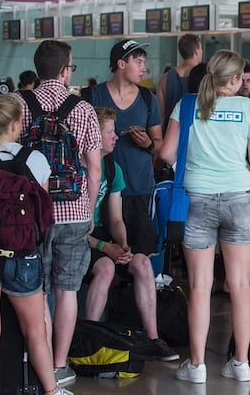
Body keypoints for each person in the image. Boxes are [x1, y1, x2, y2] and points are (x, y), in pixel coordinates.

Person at [160, 51, 250, 384]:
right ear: (237, 78)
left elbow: (167, 154)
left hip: (195, 200)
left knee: (199, 286)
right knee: (240, 285)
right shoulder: (249, 108)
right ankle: (240, 363)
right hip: (240, 200)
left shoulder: (186, 105)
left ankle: (196, 366)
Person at [20, 40, 102, 387]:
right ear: (66, 69)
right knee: (67, 290)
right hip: (73, 211)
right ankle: (58, 364)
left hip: (31, 212)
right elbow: (95, 167)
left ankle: (35, 358)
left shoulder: (20, 105)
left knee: (36, 289)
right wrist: (90, 207)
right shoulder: (83, 109)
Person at [0, 94, 67, 395]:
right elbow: (42, 211)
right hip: (23, 256)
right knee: (36, 332)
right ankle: (52, 391)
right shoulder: (34, 159)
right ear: (16, 124)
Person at [83, 107, 178, 361]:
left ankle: (153, 337)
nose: (116, 137)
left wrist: (123, 246)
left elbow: (114, 217)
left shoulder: (113, 169)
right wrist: (106, 248)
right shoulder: (77, 170)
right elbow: (73, 228)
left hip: (104, 237)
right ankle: (89, 340)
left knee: (143, 263)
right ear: (93, 135)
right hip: (80, 239)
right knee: (105, 268)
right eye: (110, 132)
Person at [85, 39, 162, 256]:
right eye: (138, 62)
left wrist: (148, 144)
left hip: (139, 189)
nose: (143, 68)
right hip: (98, 193)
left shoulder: (148, 99)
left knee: (139, 256)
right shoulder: (91, 97)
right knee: (99, 260)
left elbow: (160, 145)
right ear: (121, 64)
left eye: (143, 63)